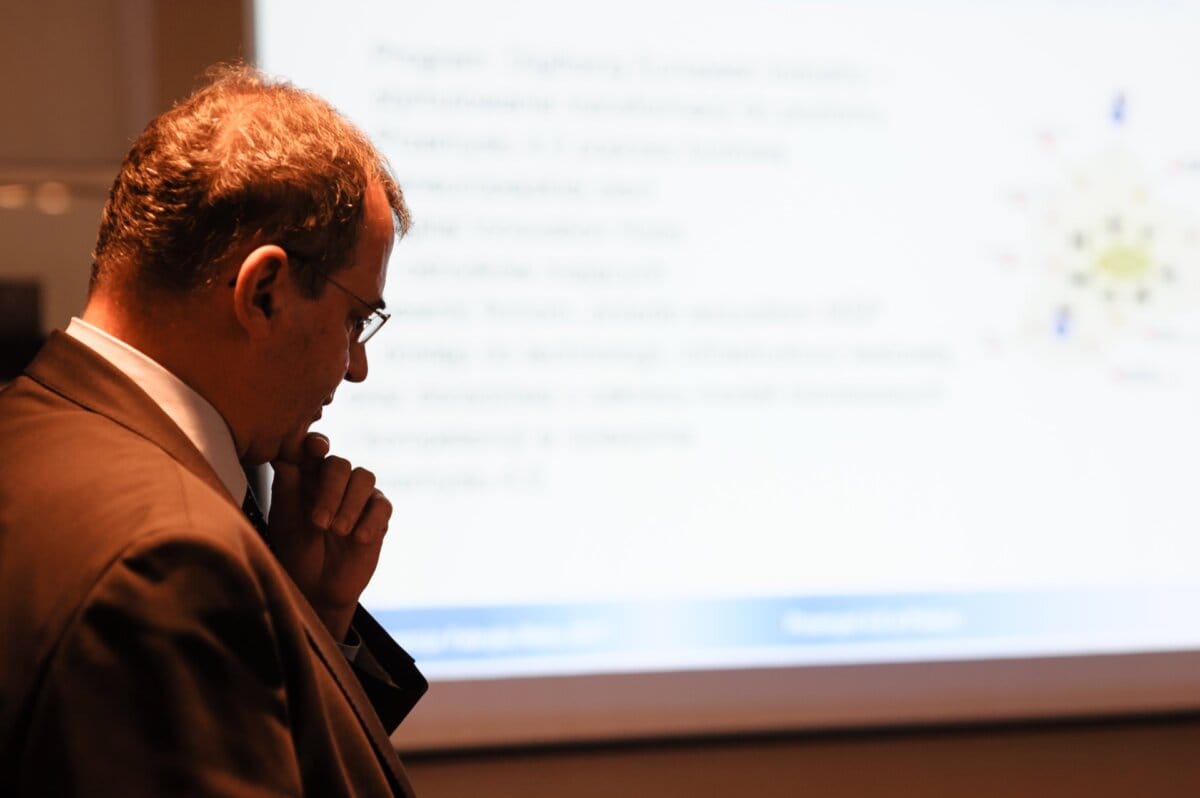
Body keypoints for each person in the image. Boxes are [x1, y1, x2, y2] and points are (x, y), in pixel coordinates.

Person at [0, 64, 427, 796]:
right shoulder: (172, 561)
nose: (355, 367)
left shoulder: (30, 427)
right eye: (355, 319)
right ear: (263, 293)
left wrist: (302, 614)